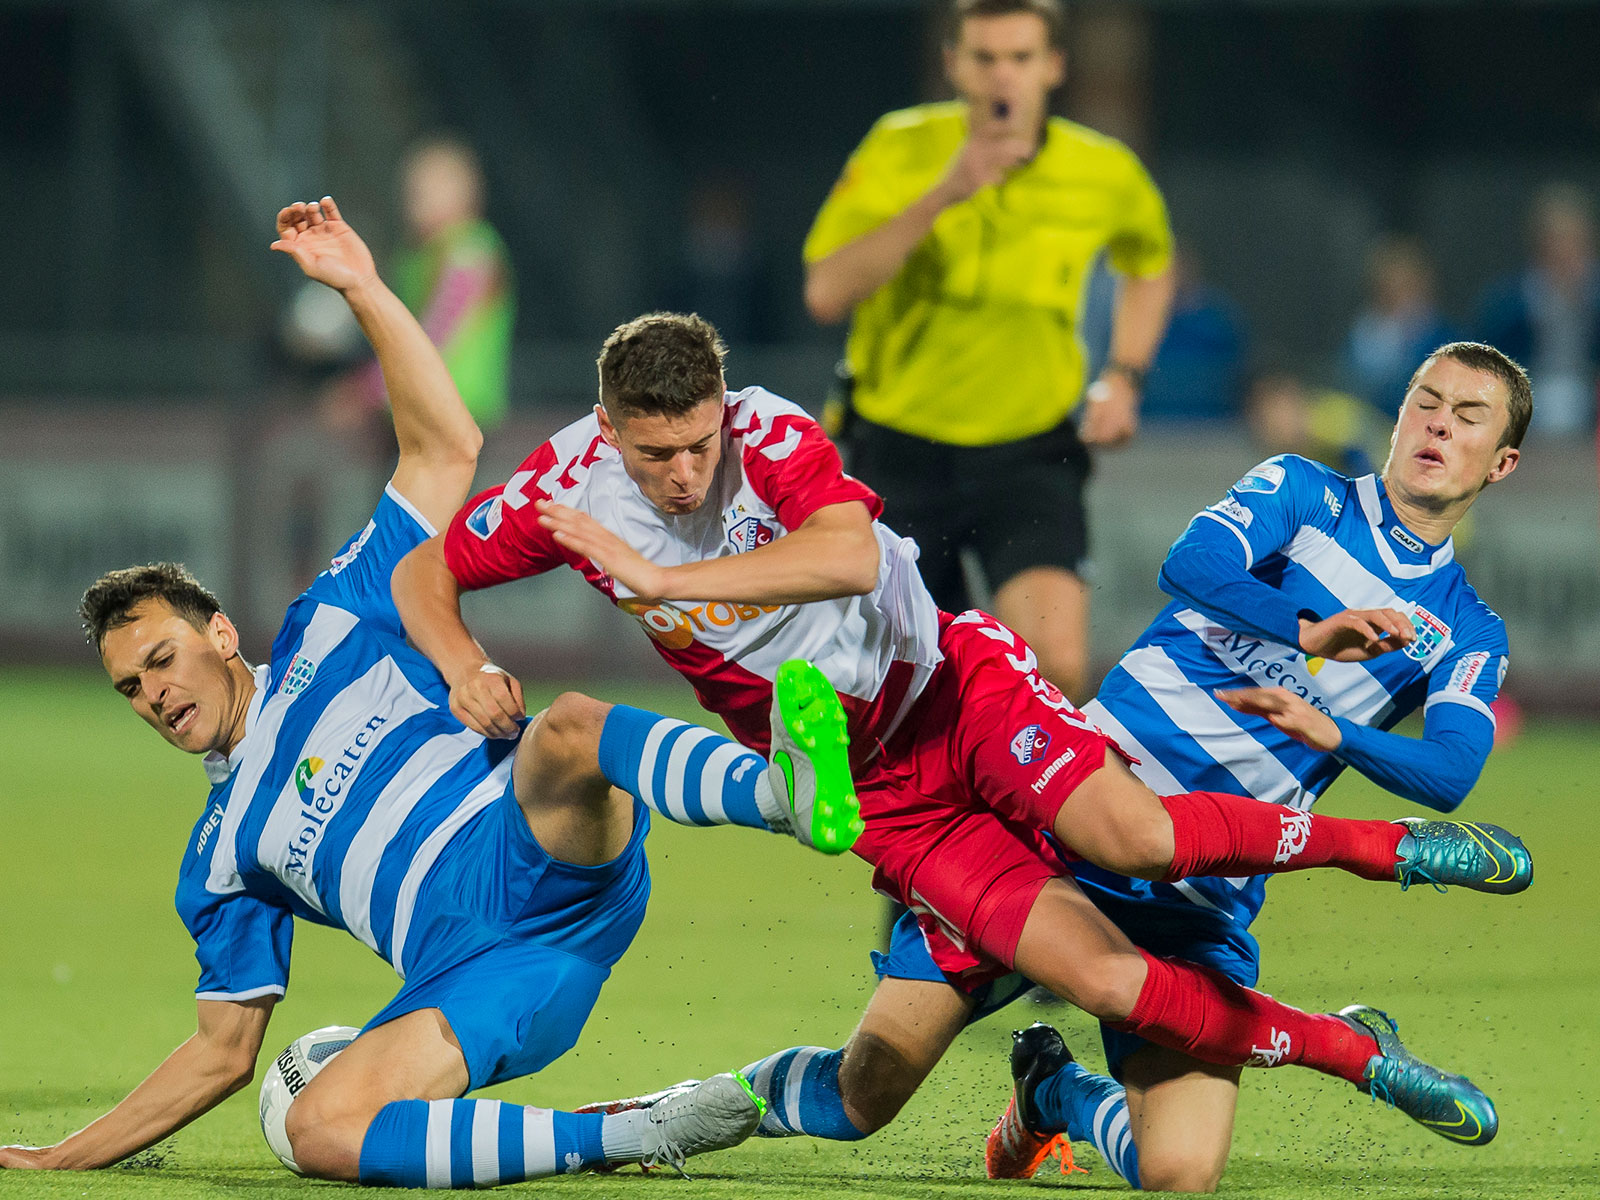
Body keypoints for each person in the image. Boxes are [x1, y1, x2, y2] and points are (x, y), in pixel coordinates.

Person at [389, 308, 1532, 1164]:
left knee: (1169, 1111)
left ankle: (1138, 1067)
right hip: (973, 792)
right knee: (861, 1098)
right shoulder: (1300, 491)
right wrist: (465, 664)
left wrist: (1325, 711)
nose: (686, 473)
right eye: (1425, 399)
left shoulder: (770, 432)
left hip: (972, 703)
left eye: (1465, 416)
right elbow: (425, 571)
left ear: (1501, 460)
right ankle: (1129, 1073)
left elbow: (841, 552)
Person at [0, 200, 865, 1187]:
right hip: (479, 976)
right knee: (318, 1131)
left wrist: (364, 289)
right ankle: (631, 1131)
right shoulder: (220, 855)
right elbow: (222, 1052)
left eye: (160, 659)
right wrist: (59, 1155)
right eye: (128, 687)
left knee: (569, 729)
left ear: (221, 635)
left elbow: (443, 447)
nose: (151, 692)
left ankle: (784, 795)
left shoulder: (336, 615)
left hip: (534, 842)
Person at [801, 0, 1177, 698]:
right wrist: (947, 190)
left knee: (1056, 669)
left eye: (1021, 58)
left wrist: (1124, 376)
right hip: (901, 450)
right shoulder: (898, 147)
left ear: (1054, 67)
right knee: (914, 688)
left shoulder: (1102, 171)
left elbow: (1151, 262)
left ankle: (1043, 807)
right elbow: (826, 291)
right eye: (984, 57)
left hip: (1030, 453)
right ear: (953, 64)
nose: (1003, 76)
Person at [326, 138, 516, 434]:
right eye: (411, 194)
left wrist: (368, 390)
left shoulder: (470, 251)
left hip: (457, 416)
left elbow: (435, 333)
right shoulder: (415, 255)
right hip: (413, 408)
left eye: (426, 194)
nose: (414, 205)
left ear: (468, 197)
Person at [1475, 183, 1600, 436]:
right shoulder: (1510, 301)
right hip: (1534, 391)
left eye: (1573, 241)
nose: (1564, 251)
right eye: (1556, 241)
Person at [1344, 236, 1457, 414]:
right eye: (1386, 290)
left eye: (1405, 287)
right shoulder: (1362, 338)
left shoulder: (1449, 343)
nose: (1397, 298)